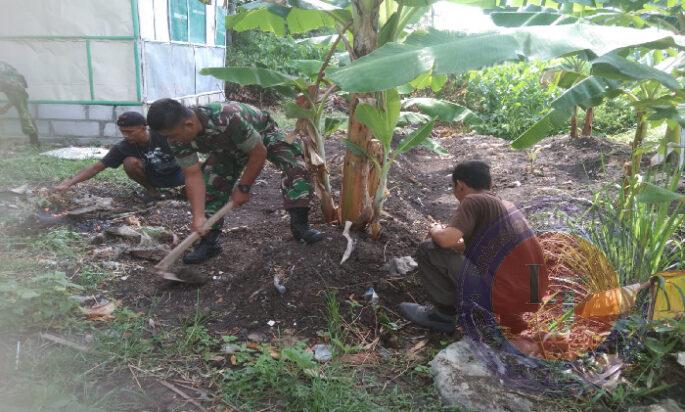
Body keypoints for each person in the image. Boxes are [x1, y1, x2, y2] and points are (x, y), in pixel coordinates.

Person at [146, 98, 323, 265]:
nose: (171, 141)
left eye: (173, 135)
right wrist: (198, 216)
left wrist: (244, 187)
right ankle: (209, 244)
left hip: (263, 134)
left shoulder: (226, 117)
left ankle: (300, 226)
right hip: (227, 148)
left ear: (189, 124)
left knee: (296, 167)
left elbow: (258, 153)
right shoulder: (177, 138)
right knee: (211, 183)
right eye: (167, 136)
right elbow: (193, 175)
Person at [399, 160, 548, 334]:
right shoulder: (507, 205)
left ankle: (443, 315)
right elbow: (475, 248)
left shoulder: (473, 200)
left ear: (460, 185)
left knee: (428, 248)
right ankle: (511, 315)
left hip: (501, 296)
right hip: (533, 295)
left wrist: (434, 229)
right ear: (490, 184)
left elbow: (445, 241)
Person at [52, 111, 184, 201]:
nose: (126, 135)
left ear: (144, 127)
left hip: (178, 174)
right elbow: (96, 167)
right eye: (123, 132)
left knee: (199, 172)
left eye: (130, 132)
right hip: (155, 179)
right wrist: (68, 184)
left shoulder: (163, 135)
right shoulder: (123, 147)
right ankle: (153, 192)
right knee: (129, 162)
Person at [0, 61, 38, 146]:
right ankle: (34, 141)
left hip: (15, 87)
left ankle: (34, 142)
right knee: (24, 113)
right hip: (14, 87)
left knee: (24, 115)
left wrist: (6, 107)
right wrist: (6, 107)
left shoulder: (7, 78)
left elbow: (15, 96)